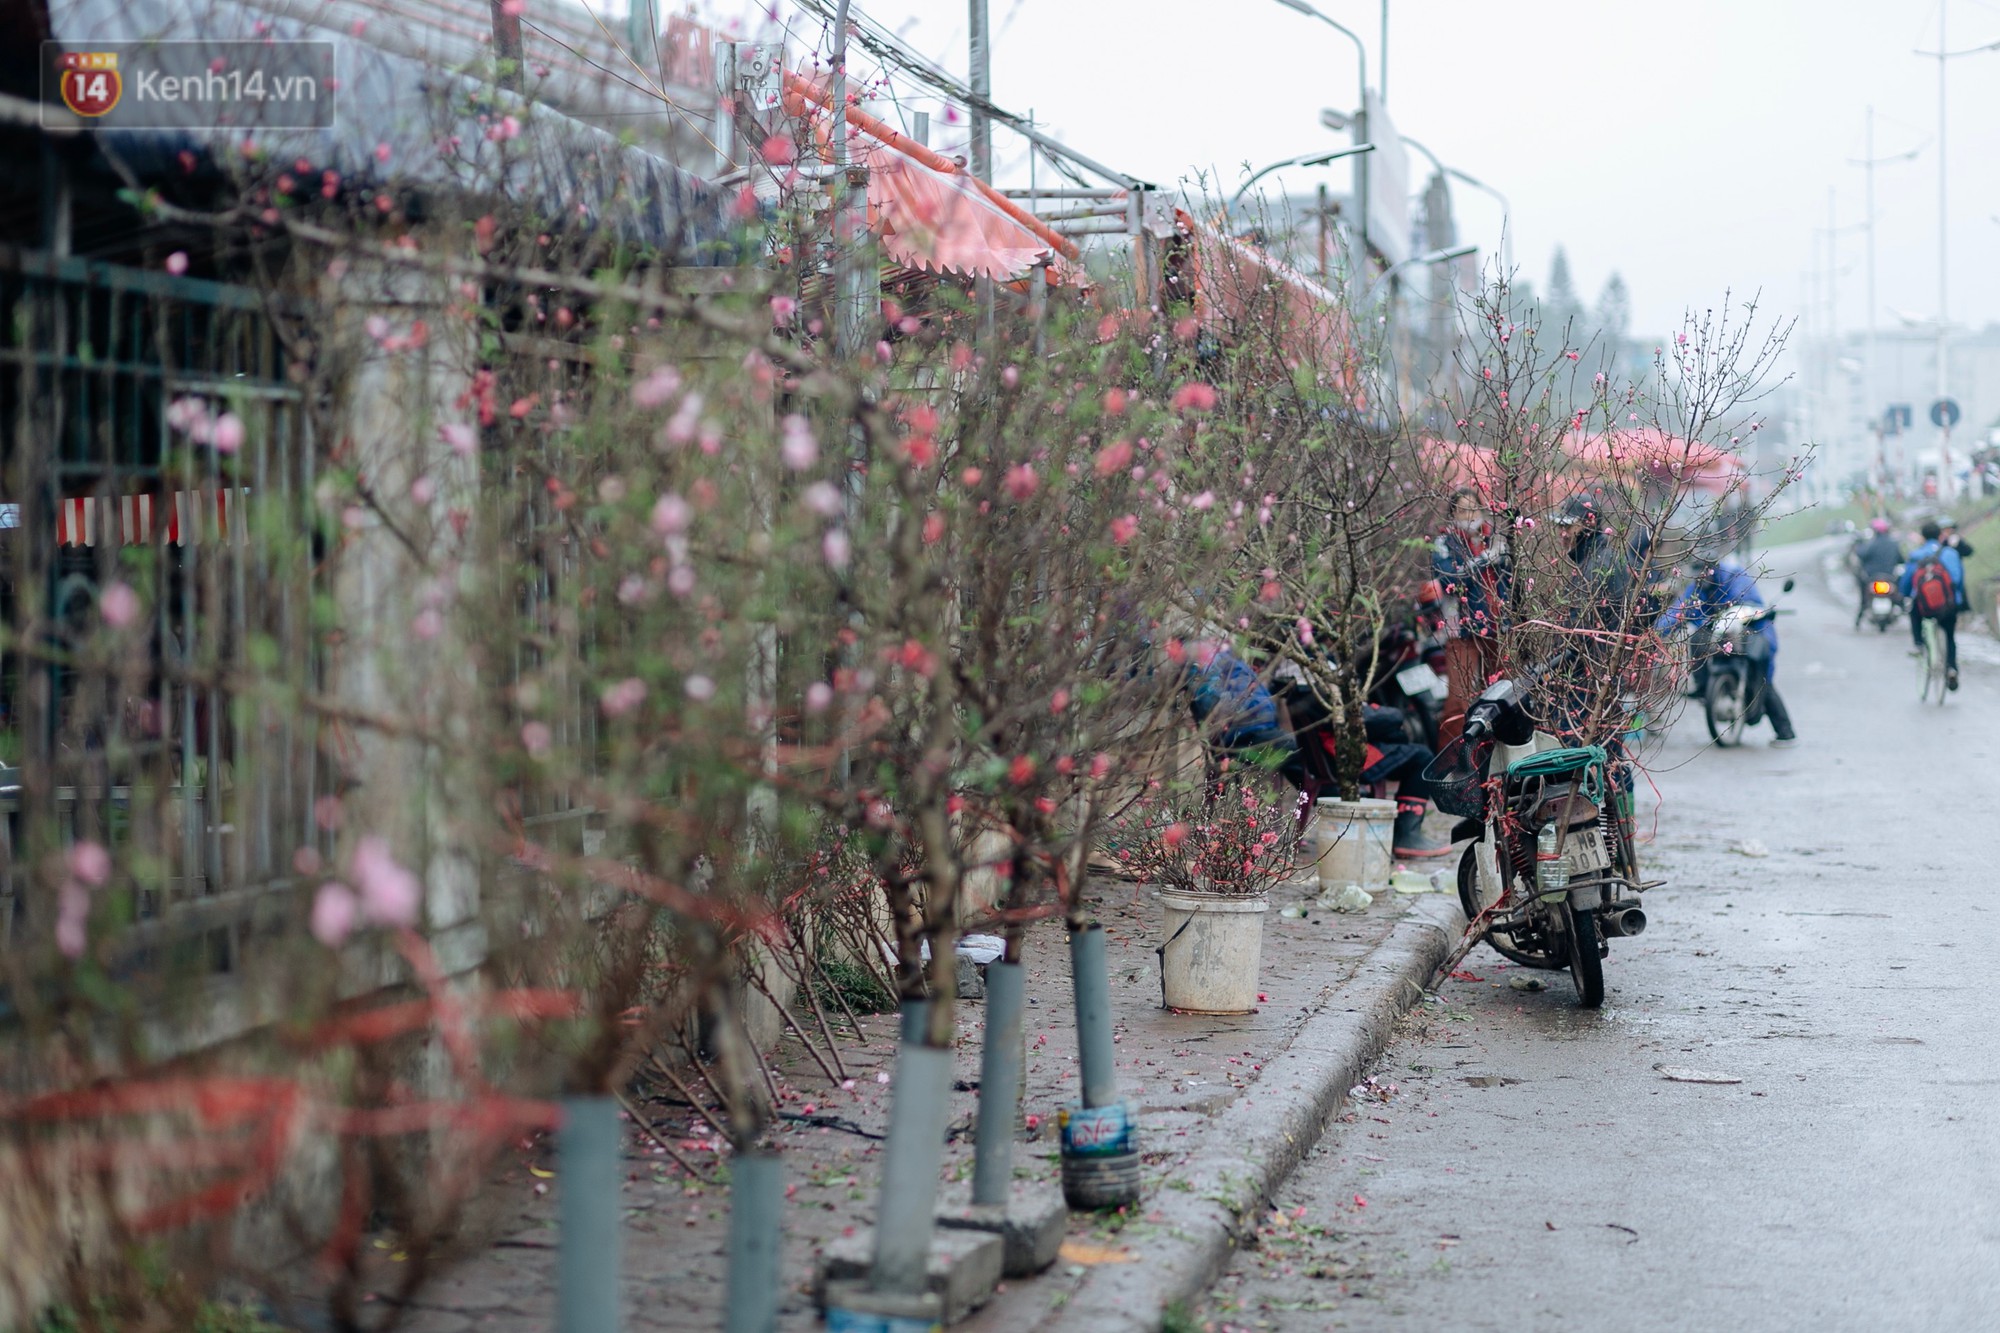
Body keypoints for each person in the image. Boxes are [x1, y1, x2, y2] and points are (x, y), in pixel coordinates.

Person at [1656, 555, 1797, 745]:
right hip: (1719, 635)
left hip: (1752, 631)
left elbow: (1751, 603)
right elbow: (1678, 611)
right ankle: (1703, 686)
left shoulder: (1736, 579)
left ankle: (1785, 732)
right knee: (1697, 639)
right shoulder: (1697, 589)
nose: (1701, 579)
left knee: (1764, 681)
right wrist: (1655, 633)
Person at [1432, 488, 1510, 753]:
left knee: (1501, 692)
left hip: (1497, 628)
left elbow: (1511, 582)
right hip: (1461, 630)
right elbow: (1449, 580)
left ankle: (1498, 755)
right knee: (1459, 698)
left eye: (1473, 509)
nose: (1469, 515)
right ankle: (1453, 761)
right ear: (1453, 514)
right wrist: (1483, 560)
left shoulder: (1495, 538)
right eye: (1462, 510)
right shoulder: (1446, 542)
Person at [1899, 520, 1965, 690]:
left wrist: (1905, 596)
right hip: (1948, 605)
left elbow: (1907, 584)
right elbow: (1957, 580)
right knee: (1950, 636)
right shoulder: (1950, 553)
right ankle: (1951, 668)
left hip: (1924, 607)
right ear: (1939, 534)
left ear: (1922, 536)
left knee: (1913, 611)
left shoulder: (1916, 555)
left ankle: (1919, 644)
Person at [1851, 518, 1904, 629]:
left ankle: (1859, 618)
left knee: (1863, 599)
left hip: (1872, 578)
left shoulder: (1871, 544)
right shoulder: (1893, 544)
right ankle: (1901, 605)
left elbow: (1861, 554)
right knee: (1899, 594)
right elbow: (1901, 559)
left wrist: (1858, 544)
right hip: (1890, 578)